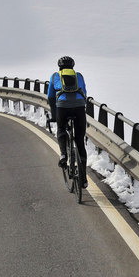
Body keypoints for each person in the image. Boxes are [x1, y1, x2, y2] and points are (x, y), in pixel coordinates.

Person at [47, 55, 88, 188]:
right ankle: (84, 179)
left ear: (59, 67)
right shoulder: (79, 76)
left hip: (63, 107)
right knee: (80, 141)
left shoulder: (54, 76)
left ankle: (63, 155)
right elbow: (85, 93)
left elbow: (51, 97)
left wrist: (54, 115)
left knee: (60, 129)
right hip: (79, 107)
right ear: (73, 66)